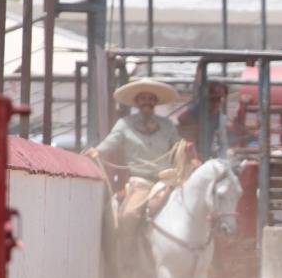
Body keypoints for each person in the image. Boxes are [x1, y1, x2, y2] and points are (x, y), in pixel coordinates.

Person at [86, 78, 181, 207]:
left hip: (165, 182)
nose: (147, 102)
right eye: (143, 98)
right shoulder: (125, 123)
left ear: (156, 101)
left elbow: (179, 147)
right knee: (130, 215)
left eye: (151, 99)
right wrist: (96, 152)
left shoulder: (167, 125)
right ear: (136, 102)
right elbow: (110, 142)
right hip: (140, 182)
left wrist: (190, 155)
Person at [177, 80, 231, 159]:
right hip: (189, 156)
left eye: (218, 100)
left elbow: (223, 143)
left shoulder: (220, 118)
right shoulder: (192, 113)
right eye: (212, 100)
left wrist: (222, 159)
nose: (215, 104)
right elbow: (180, 123)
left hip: (209, 157)